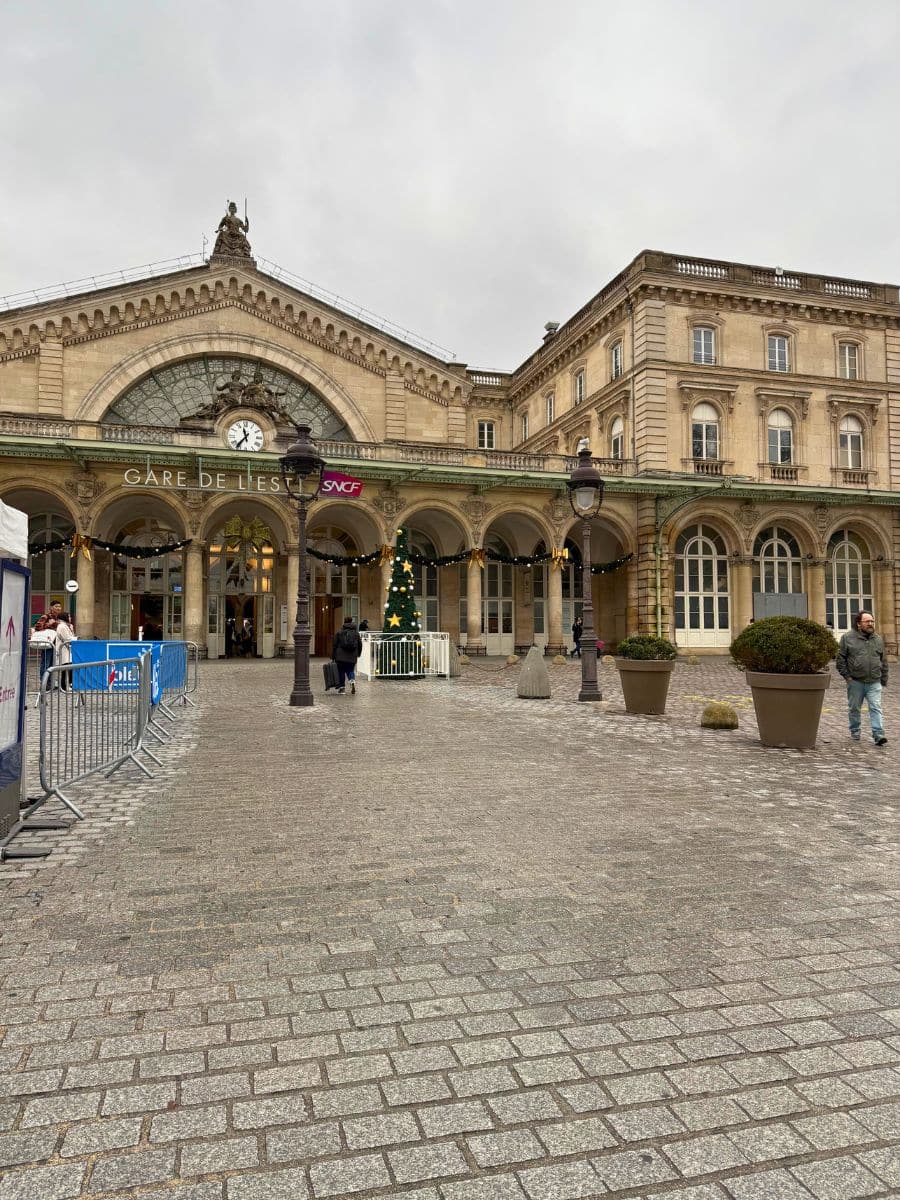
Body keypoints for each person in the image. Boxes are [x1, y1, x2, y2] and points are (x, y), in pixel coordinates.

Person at [836, 610, 888, 746]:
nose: (870, 624)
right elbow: (840, 659)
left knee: (876, 707)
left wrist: (884, 679)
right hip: (855, 681)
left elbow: (884, 660)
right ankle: (855, 730)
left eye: (872, 621)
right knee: (854, 708)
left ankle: (878, 734)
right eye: (867, 621)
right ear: (859, 624)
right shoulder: (847, 638)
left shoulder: (878, 639)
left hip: (874, 681)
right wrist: (847, 677)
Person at [332, 616, 362, 694]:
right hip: (352, 656)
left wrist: (333, 655)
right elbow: (360, 644)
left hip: (340, 656)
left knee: (341, 671)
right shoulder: (356, 633)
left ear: (344, 622)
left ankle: (342, 689)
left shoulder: (339, 632)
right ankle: (352, 680)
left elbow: (334, 645)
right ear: (351, 621)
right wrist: (358, 654)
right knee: (350, 670)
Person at [54, 611, 76, 690]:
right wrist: (76, 639)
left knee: (67, 667)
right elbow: (67, 638)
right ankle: (65, 685)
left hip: (66, 649)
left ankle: (66, 685)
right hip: (64, 649)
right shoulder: (62, 626)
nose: (70, 618)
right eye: (69, 616)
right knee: (66, 667)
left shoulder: (66, 626)